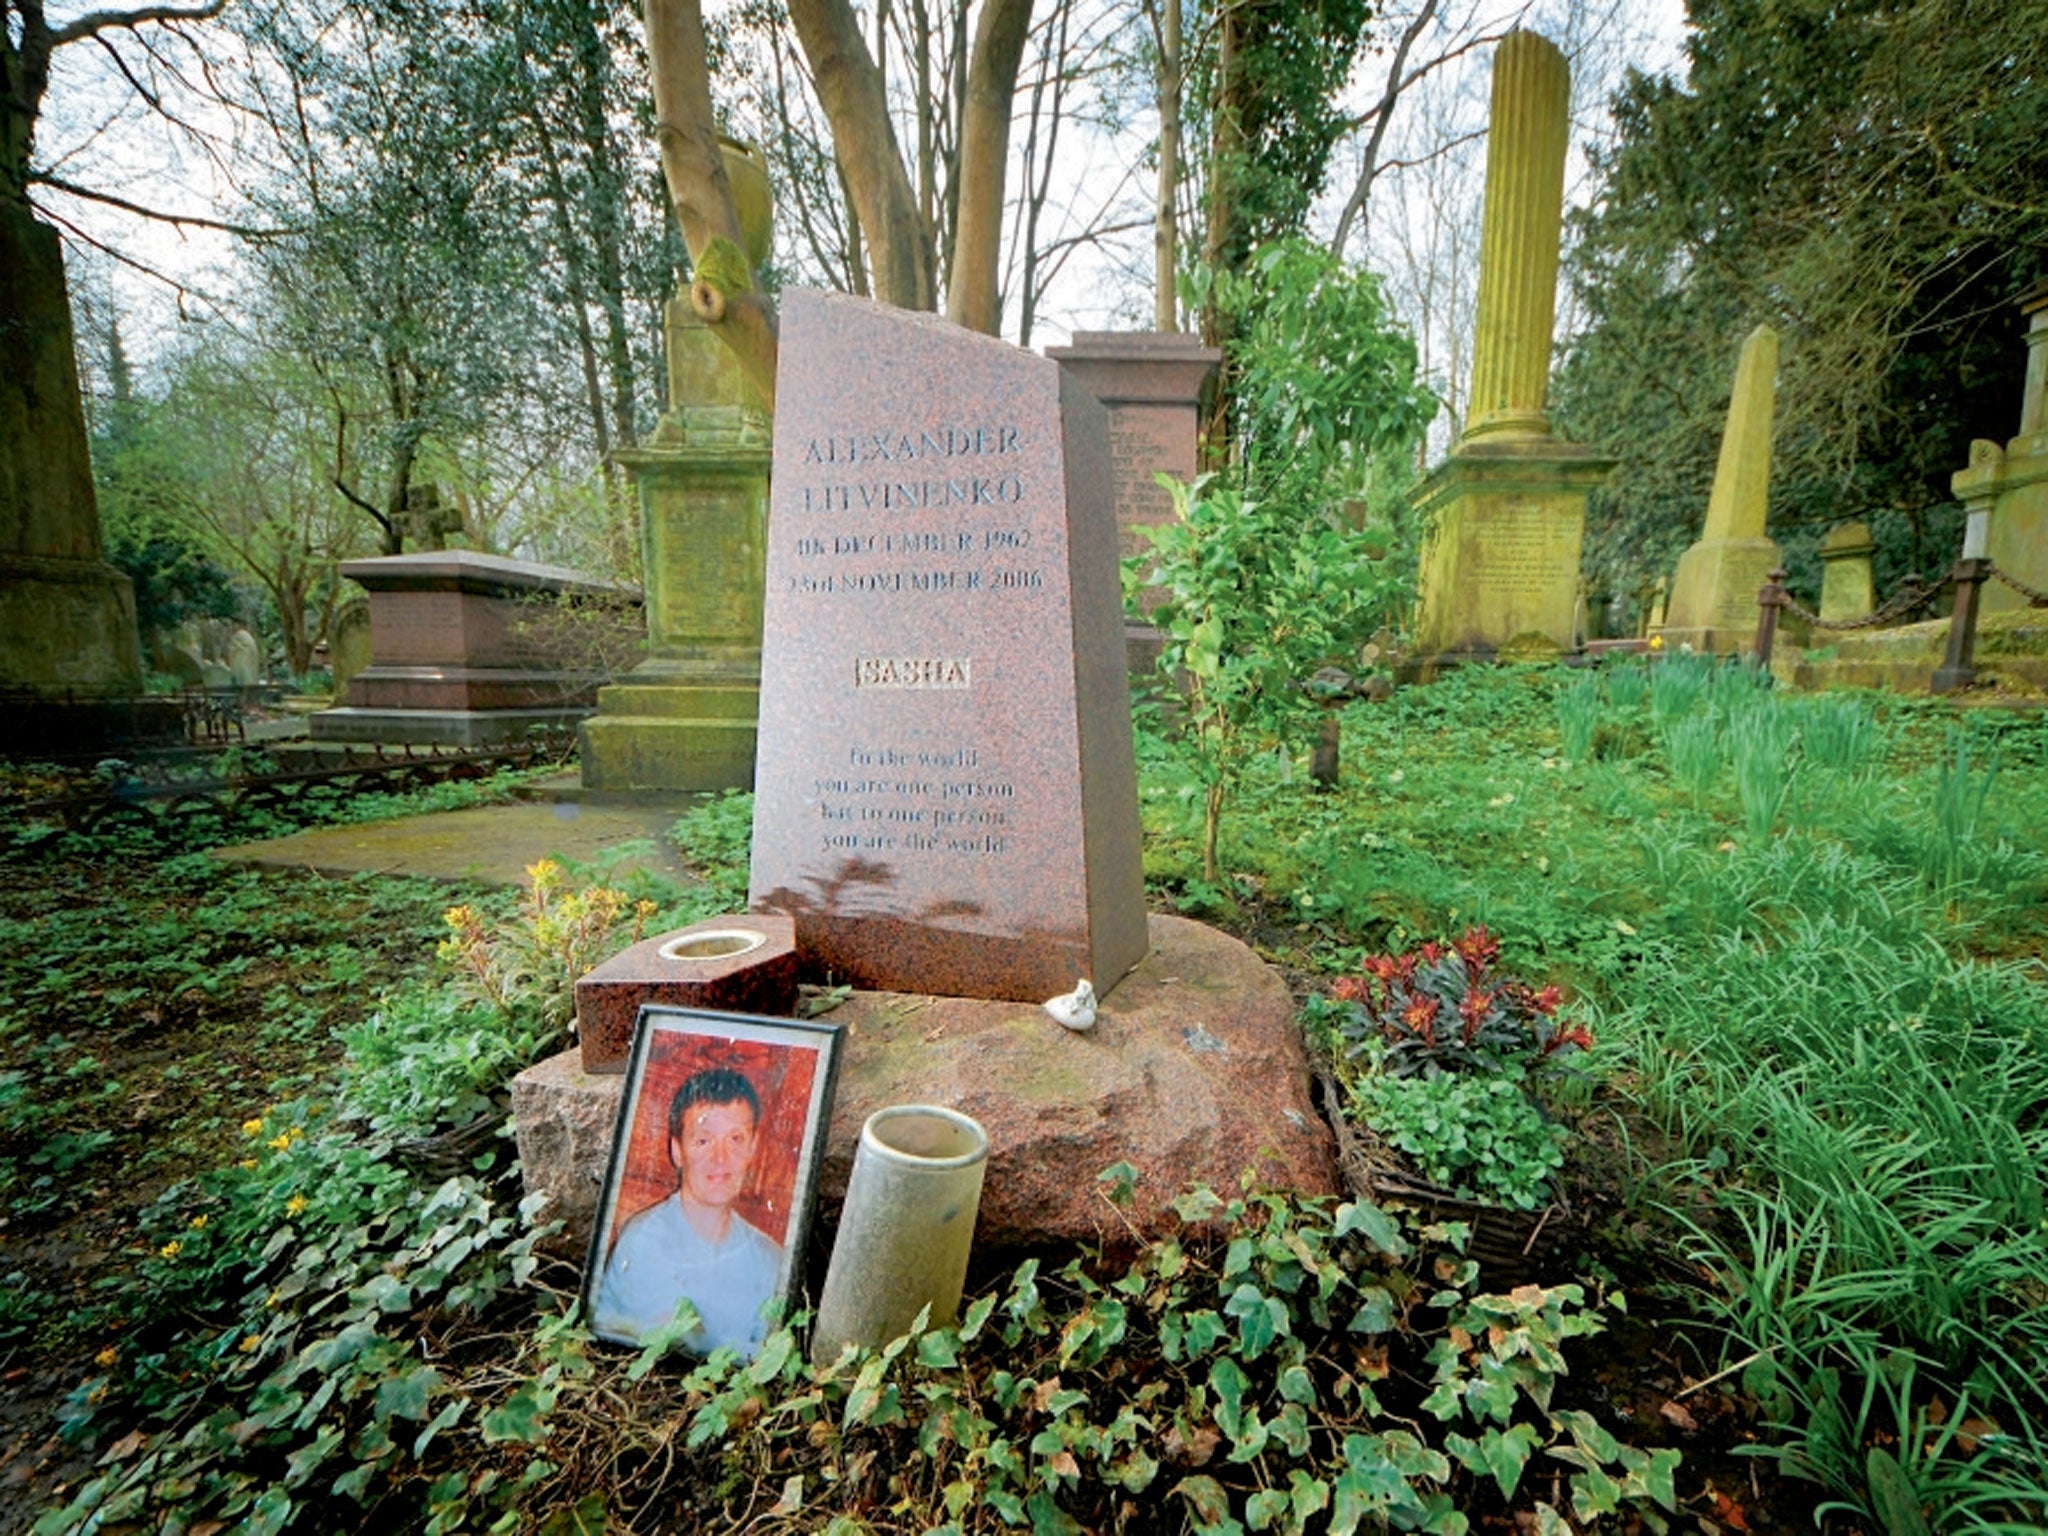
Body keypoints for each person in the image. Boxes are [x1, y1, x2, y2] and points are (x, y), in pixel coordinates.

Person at [591, 1066, 784, 1354]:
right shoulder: (643, 1241)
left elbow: (772, 1359)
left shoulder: (770, 1259)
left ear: (752, 1149)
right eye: (703, 1141)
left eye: (735, 1139)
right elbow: (661, 1343)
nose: (720, 1159)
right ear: (677, 1150)